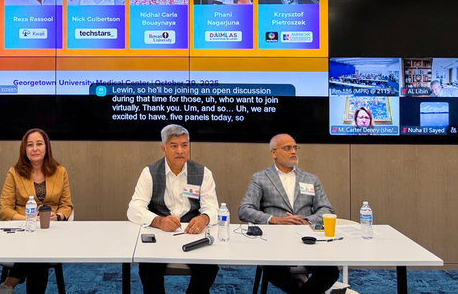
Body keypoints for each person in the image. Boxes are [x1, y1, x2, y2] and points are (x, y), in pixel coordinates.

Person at [238, 134, 340, 294]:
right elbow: (244, 210)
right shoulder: (260, 178)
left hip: (308, 241)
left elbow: (327, 210)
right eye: (287, 148)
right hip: (275, 242)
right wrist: (275, 220)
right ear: (274, 153)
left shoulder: (311, 179)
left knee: (331, 271)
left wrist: (307, 220)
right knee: (274, 270)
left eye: (295, 148)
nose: (293, 152)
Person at [127, 124, 219, 294]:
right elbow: (134, 208)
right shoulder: (150, 172)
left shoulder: (203, 173)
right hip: (161, 234)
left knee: (209, 268)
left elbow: (212, 207)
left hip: (192, 233)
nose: (180, 151)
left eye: (184, 145)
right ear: (163, 149)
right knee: (148, 269)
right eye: (174, 146)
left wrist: (204, 218)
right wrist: (158, 221)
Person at [0, 128, 73, 294]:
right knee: (39, 253)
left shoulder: (60, 172)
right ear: (24, 149)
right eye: (30, 145)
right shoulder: (14, 173)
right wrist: (27, 220)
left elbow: (67, 205)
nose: (34, 148)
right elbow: (4, 209)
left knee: (41, 249)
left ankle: (10, 282)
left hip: (52, 230)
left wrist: (57, 216)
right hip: (22, 232)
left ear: (46, 147)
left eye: (39, 144)